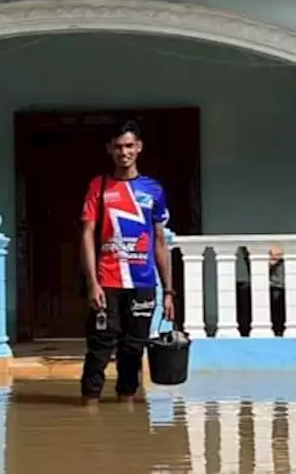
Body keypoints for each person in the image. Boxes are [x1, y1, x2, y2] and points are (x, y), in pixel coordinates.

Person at [80, 119, 175, 405]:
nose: (124, 152)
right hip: (107, 282)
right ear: (110, 149)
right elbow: (87, 234)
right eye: (119, 146)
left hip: (143, 284)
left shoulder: (153, 190)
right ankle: (89, 414)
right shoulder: (99, 186)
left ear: (139, 148)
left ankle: (127, 414)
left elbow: (160, 242)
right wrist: (91, 282)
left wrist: (168, 291)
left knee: (133, 352)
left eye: (130, 146)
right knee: (99, 350)